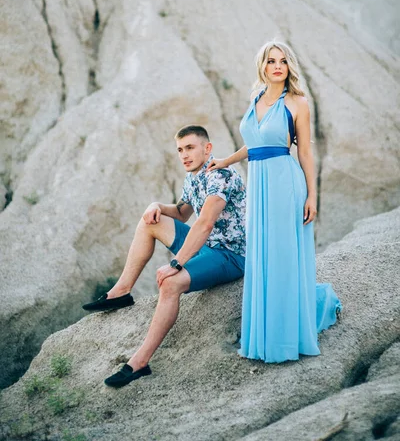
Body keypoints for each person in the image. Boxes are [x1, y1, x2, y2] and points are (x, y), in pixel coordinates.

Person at [82, 125, 246, 386]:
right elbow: (182, 213)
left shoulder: (221, 175)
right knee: (149, 221)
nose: (184, 155)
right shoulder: (193, 177)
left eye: (190, 148)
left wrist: (175, 263)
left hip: (231, 255)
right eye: (180, 150)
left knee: (170, 283)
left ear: (207, 148)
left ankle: (139, 363)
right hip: (206, 246)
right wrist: (156, 206)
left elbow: (204, 224)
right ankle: (121, 292)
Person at [208, 41, 341, 362]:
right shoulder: (255, 98)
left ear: (288, 66)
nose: (277, 66)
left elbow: (305, 152)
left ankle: (286, 337)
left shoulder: (298, 103)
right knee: (264, 256)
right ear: (263, 67)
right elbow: (253, 143)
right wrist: (225, 160)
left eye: (282, 61)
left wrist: (312, 195)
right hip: (260, 186)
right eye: (271, 61)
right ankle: (264, 333)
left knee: (282, 255)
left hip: (284, 183)